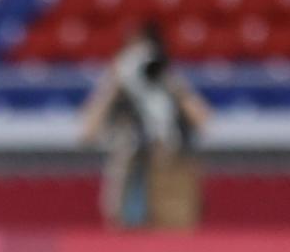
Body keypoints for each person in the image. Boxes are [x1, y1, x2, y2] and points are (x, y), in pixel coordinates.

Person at [76, 20, 211, 230]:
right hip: (129, 180)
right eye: (134, 53)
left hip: (170, 180)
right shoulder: (118, 91)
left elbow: (203, 122)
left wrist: (169, 82)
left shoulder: (169, 84)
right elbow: (87, 133)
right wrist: (113, 84)